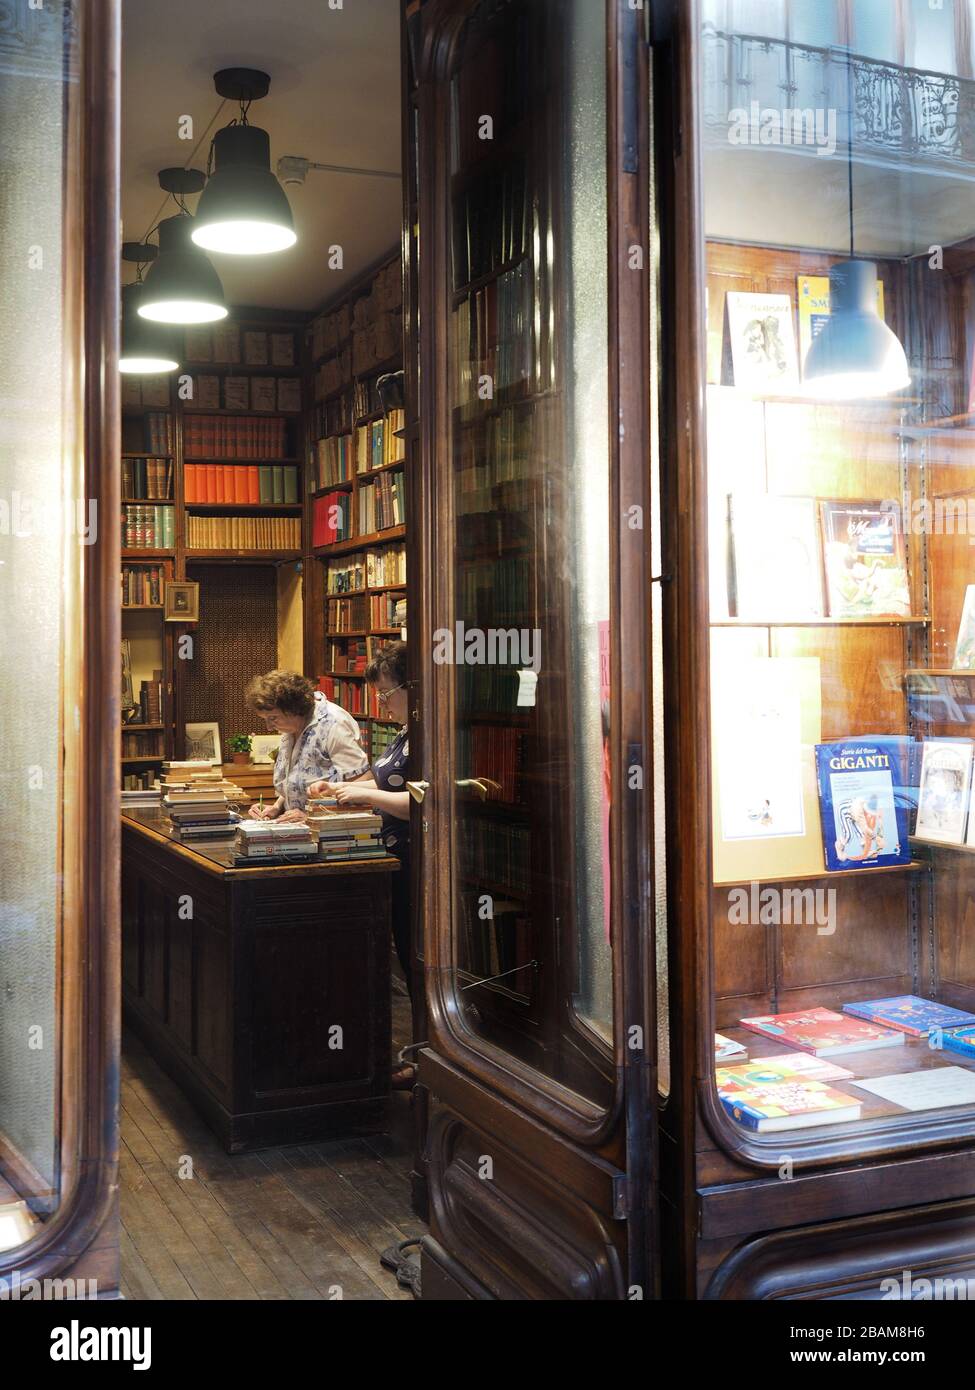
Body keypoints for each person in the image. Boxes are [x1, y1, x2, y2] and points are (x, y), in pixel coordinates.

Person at [307, 641, 414, 1087]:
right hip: (391, 861)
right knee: (406, 957)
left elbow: (425, 803)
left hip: (415, 863)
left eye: (386, 694)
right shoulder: (406, 733)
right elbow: (380, 776)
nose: (381, 705)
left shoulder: (429, 732)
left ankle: (432, 1058)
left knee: (416, 958)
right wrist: (335, 793)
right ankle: (422, 1052)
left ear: (413, 687)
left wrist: (363, 795)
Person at [244, 669, 368, 821]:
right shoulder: (292, 726)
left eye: (273, 718)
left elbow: (362, 785)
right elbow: (298, 781)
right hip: (299, 830)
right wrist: (276, 807)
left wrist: (312, 817)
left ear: (293, 709)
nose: (269, 727)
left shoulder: (334, 723)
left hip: (332, 833)